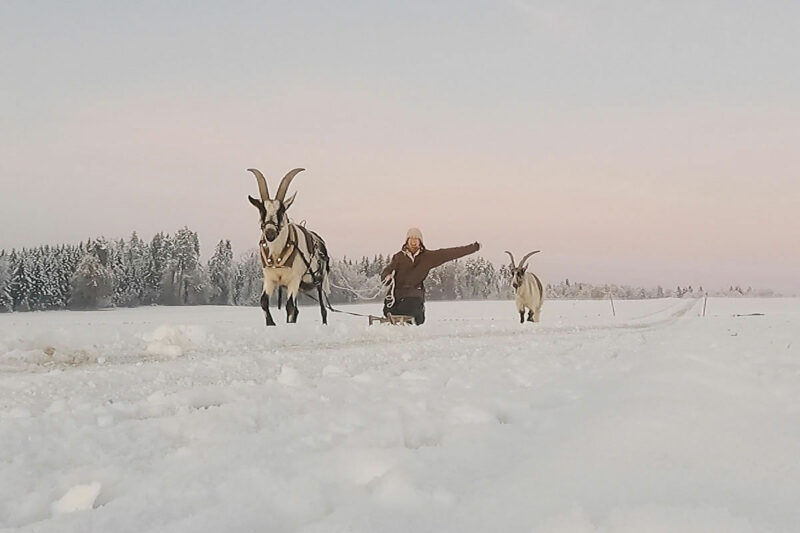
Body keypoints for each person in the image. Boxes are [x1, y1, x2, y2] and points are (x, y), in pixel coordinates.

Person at [380, 227, 480, 325]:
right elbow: (387, 270)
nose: (413, 242)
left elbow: (449, 253)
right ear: (407, 241)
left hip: (414, 294)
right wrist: (386, 276)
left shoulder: (428, 257)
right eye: (411, 239)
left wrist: (473, 248)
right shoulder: (399, 257)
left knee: (410, 309)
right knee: (388, 311)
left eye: (416, 239)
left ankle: (417, 314)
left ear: (420, 241)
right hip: (396, 295)